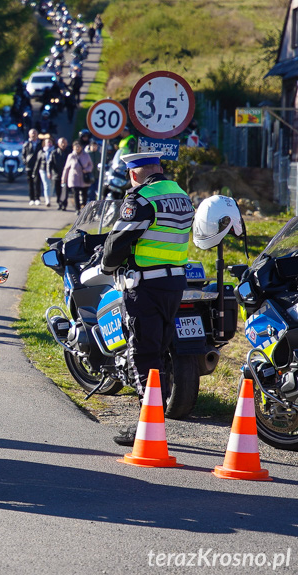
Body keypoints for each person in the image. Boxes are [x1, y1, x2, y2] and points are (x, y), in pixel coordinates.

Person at [99, 152, 195, 446]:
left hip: (146, 286)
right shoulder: (180, 194)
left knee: (143, 353)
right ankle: (155, 417)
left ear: (133, 174)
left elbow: (118, 241)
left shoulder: (140, 199)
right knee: (159, 350)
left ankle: (147, 425)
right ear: (158, 168)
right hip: (175, 283)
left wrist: (105, 265)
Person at [61, 140, 94, 213]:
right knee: (75, 194)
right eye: (76, 147)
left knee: (84, 194)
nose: (77, 148)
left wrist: (87, 169)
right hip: (74, 178)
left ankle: (84, 207)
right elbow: (66, 168)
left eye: (79, 146)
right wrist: (64, 178)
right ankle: (77, 208)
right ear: (73, 148)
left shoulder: (86, 155)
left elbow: (91, 165)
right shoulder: (71, 156)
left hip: (84, 179)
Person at [34, 135, 55, 207]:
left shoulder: (54, 151)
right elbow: (37, 162)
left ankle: (50, 197)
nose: (48, 143)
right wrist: (35, 172)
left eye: (49, 142)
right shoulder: (41, 151)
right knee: (46, 185)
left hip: (53, 170)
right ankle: (47, 200)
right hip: (43, 169)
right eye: (47, 142)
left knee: (52, 185)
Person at [49, 138, 71, 210]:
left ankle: (64, 204)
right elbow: (49, 164)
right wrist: (49, 172)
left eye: (64, 142)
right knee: (58, 190)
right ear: (58, 144)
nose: (63, 144)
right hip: (56, 175)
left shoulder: (69, 153)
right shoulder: (54, 153)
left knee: (65, 190)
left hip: (66, 175)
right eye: (61, 143)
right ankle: (59, 203)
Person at [22, 128, 41, 206]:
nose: (33, 134)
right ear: (29, 135)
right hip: (29, 166)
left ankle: (37, 198)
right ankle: (31, 198)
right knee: (30, 183)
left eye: (35, 133)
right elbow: (23, 155)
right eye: (32, 133)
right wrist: (25, 162)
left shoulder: (40, 143)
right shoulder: (26, 144)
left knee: (37, 182)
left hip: (38, 166)